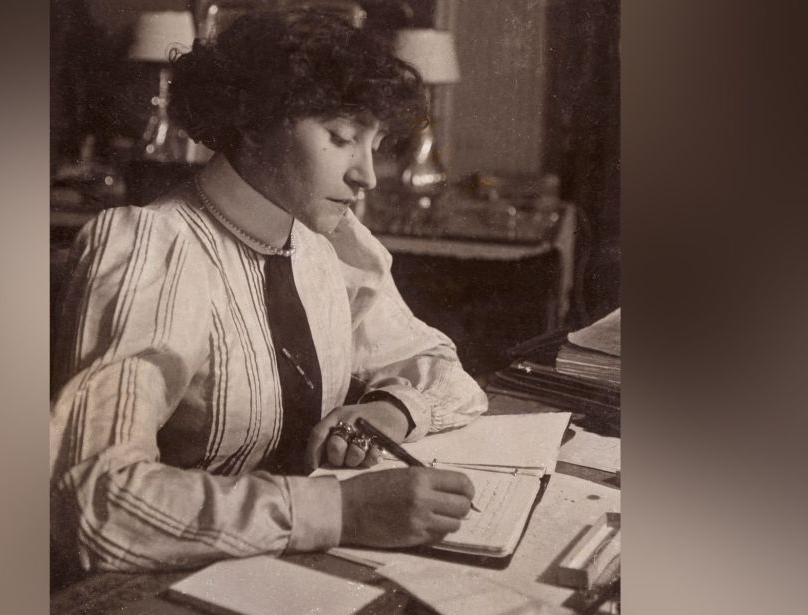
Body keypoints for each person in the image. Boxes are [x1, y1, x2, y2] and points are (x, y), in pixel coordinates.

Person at [50, 10, 488, 575]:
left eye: (374, 144)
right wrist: (340, 509)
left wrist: (390, 410)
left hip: (291, 573)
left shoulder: (323, 243)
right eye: (342, 138)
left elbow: (440, 368)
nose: (368, 175)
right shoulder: (152, 246)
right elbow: (94, 501)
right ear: (254, 123)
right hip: (164, 582)